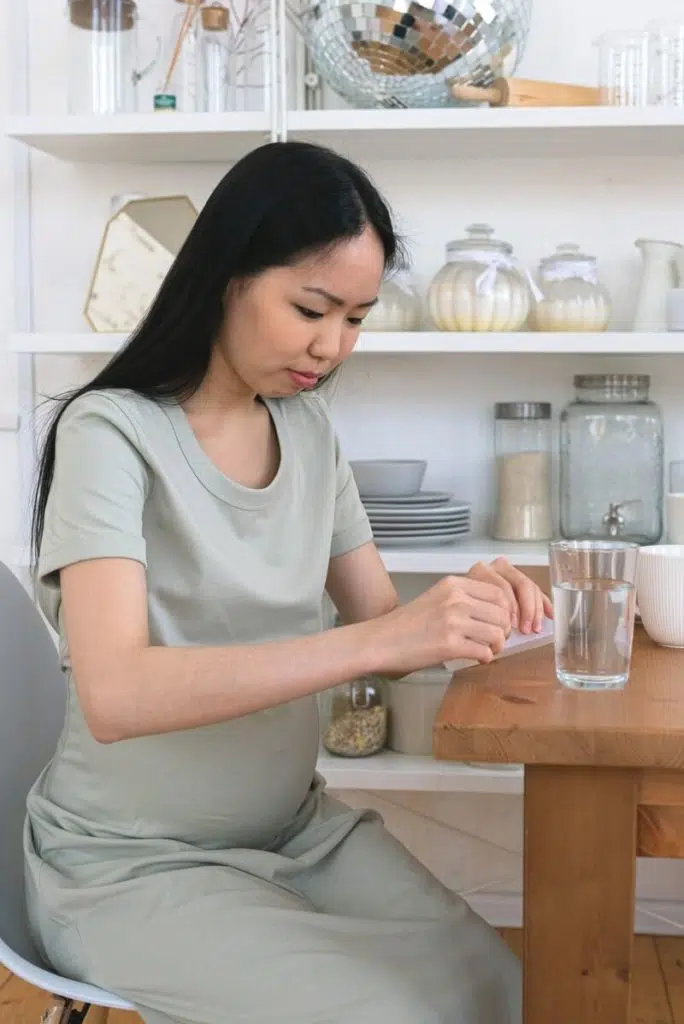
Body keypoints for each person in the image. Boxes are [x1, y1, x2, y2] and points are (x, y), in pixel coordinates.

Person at [24, 140, 550, 1024]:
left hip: (291, 829)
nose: (331, 346)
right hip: (127, 862)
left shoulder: (308, 431)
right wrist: (382, 639)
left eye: (355, 317)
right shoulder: (108, 434)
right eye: (311, 307)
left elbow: (383, 623)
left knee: (500, 988)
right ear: (227, 274)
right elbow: (115, 693)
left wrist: (473, 605)